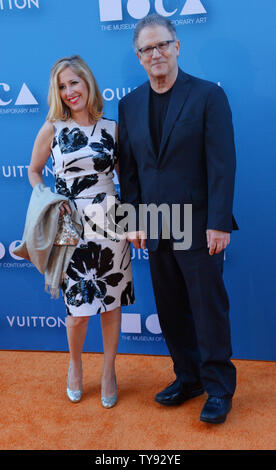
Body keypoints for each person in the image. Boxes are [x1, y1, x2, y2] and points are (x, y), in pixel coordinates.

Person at [118, 14, 238, 424]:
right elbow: (128, 170)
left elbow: (222, 163)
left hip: (199, 221)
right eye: (147, 49)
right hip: (153, 221)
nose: (156, 54)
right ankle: (188, 378)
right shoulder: (129, 104)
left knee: (207, 307)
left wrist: (219, 222)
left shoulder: (207, 96)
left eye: (162, 44)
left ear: (177, 46)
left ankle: (219, 387)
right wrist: (130, 219)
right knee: (170, 309)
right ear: (138, 57)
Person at [28, 55, 134, 408]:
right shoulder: (52, 129)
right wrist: (50, 199)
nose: (69, 91)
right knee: (77, 310)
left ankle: (108, 370)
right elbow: (33, 171)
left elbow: (126, 178)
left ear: (87, 82)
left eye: (74, 82)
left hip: (110, 218)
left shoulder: (112, 128)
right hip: (70, 221)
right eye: (62, 86)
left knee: (112, 304)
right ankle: (75, 364)